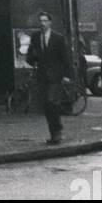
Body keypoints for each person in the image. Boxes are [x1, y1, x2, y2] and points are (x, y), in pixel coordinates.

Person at [25, 10, 74, 146]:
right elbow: (29, 56)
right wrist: (33, 58)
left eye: (45, 21)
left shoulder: (58, 38)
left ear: (50, 23)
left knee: (52, 102)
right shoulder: (35, 37)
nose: (42, 24)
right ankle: (54, 134)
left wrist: (67, 75)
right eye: (40, 21)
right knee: (46, 105)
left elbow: (65, 58)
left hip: (56, 76)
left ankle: (57, 132)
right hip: (42, 76)